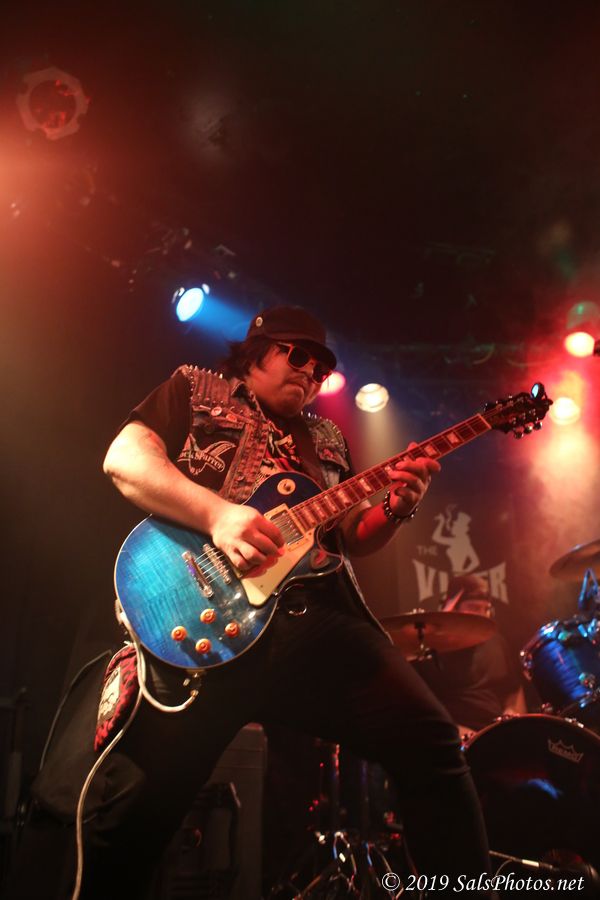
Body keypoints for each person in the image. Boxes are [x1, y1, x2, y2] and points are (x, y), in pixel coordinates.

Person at [8, 306, 493, 899]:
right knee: (133, 817)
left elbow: (350, 539)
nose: (310, 373)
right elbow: (125, 460)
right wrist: (218, 515)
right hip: (204, 620)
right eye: (298, 356)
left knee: (431, 742)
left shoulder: (326, 439)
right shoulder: (196, 389)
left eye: (321, 369)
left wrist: (397, 505)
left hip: (316, 623)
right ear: (256, 349)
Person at [414, 574, 528, 741]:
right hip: (456, 740)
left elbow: (513, 690)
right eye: (474, 608)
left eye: (486, 609)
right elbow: (421, 711)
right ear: (453, 608)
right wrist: (455, 732)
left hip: (498, 734)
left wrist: (512, 714)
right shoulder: (431, 651)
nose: (482, 615)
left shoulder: (497, 642)